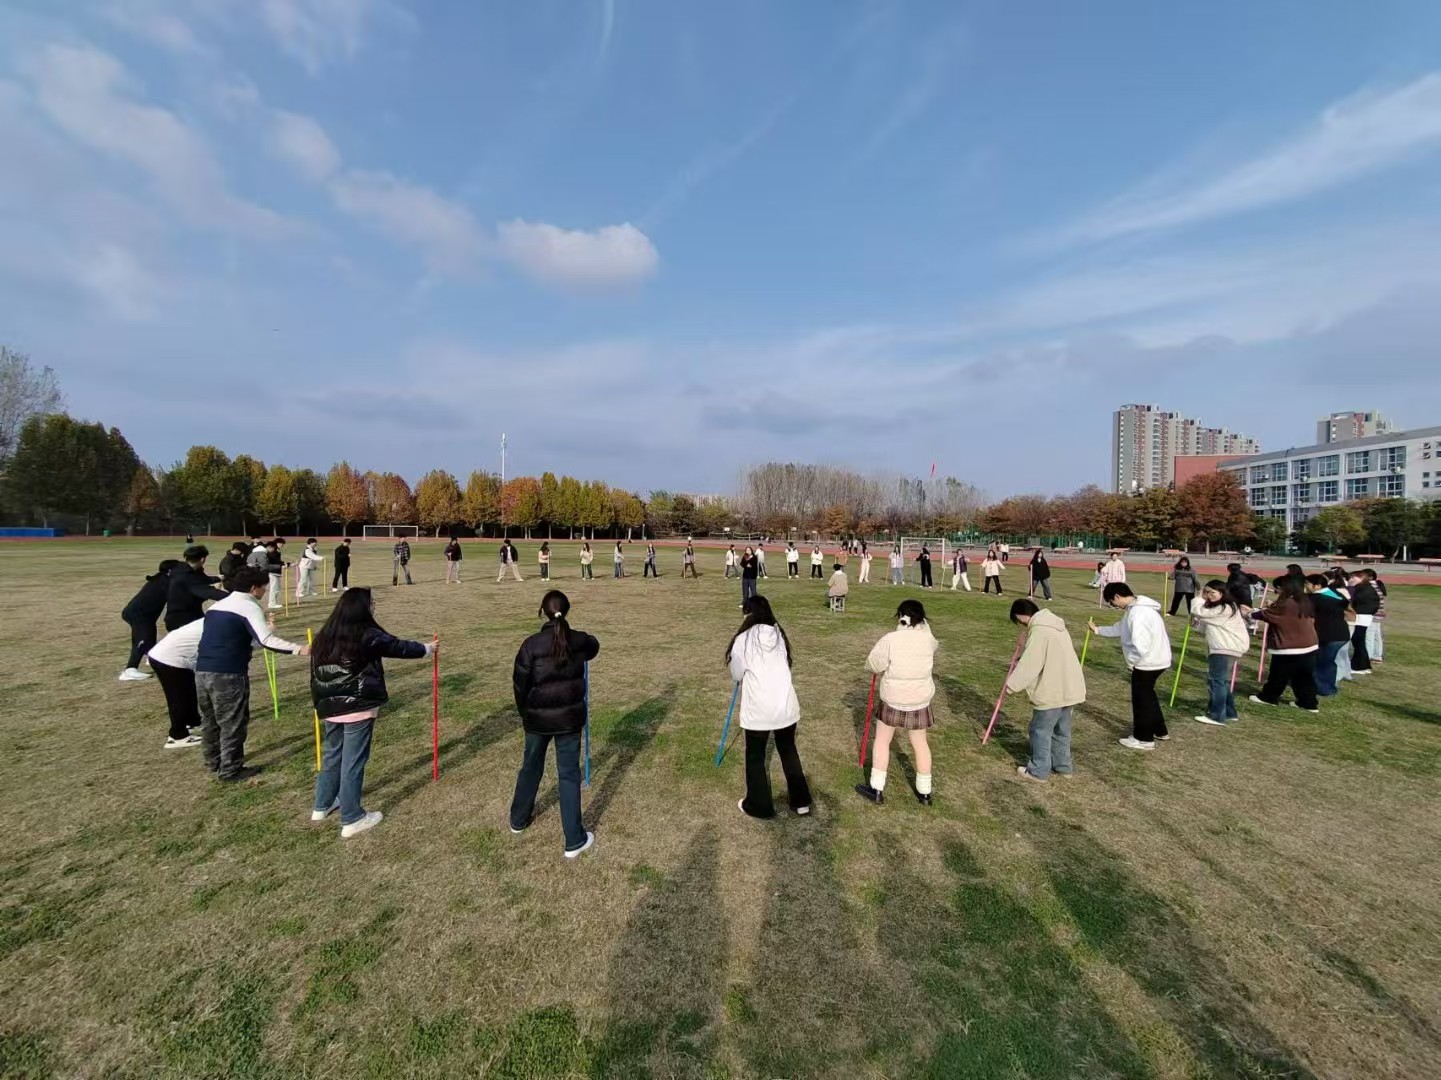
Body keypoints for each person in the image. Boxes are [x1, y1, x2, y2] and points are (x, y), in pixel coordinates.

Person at [310, 588, 434, 839]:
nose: (374, 606)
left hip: (329, 707)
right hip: (356, 706)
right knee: (352, 761)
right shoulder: (366, 633)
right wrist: (426, 649)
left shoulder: (325, 634)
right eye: (372, 603)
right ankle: (351, 817)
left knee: (333, 755)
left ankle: (322, 805)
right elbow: (396, 646)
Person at [510, 590, 600, 857]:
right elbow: (592, 645)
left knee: (531, 767)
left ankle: (519, 820)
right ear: (567, 610)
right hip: (566, 720)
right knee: (568, 774)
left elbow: (519, 685)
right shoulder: (571, 641)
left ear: (543, 612)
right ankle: (572, 839)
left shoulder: (533, 645)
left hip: (540, 720)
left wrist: (525, 713)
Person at [195, 566, 307, 781]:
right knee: (232, 722)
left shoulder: (216, 606)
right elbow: (266, 640)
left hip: (202, 669)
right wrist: (298, 649)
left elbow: (235, 637)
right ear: (254, 588)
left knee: (210, 720)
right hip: (228, 673)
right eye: (264, 588)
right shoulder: (249, 606)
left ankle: (212, 760)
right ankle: (230, 770)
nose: (265, 592)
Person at [727, 596, 812, 818]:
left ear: (749, 614)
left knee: (755, 756)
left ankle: (759, 805)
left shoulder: (743, 639)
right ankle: (801, 801)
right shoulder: (778, 634)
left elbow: (736, 673)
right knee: (788, 750)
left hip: (760, 709)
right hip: (785, 706)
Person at [856, 600, 939, 806]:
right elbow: (929, 638)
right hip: (919, 699)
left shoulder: (891, 639)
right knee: (920, 743)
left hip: (894, 698)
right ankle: (925, 792)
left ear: (901, 616)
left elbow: (874, 663)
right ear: (922, 619)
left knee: (882, 740)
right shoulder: (929, 639)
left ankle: (877, 788)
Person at [1007, 599, 1085, 782]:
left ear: (1020, 616)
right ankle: (1063, 767)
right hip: (1069, 686)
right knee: (1061, 730)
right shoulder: (1056, 626)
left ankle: (1038, 771)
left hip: (1052, 689)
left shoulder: (1039, 632)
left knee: (1040, 730)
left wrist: (1012, 685)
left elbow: (1031, 663)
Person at [1088, 583, 1171, 750]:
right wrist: (1097, 630)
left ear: (1117, 596)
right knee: (1148, 696)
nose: (1114, 606)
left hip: (1147, 663)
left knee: (1141, 701)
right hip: (1156, 660)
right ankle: (1160, 730)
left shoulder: (1138, 613)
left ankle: (1143, 739)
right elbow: (1121, 628)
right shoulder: (1135, 609)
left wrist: (1133, 663)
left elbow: (1141, 645)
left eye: (1112, 602)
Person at [1249, 575, 1320, 713]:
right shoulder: (1304, 600)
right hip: (1308, 645)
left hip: (1290, 646)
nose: (1277, 591)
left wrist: (1249, 613)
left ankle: (1268, 697)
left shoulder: (1287, 603)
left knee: (1279, 675)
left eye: (1278, 589)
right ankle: (1308, 703)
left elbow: (1268, 615)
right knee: (1304, 677)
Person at [146, 605, 206, 748]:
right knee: (178, 697)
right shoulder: (224, 621)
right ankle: (177, 736)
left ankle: (193, 722)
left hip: (173, 656)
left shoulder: (217, 615)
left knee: (190, 690)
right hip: (167, 659)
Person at [1191, 581, 1249, 725]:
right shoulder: (1220, 607)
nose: (1209, 596)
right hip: (1225, 647)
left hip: (1225, 648)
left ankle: (1216, 716)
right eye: (1207, 592)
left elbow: (1200, 612)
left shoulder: (1226, 607)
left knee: (1216, 681)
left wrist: (1198, 598)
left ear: (1222, 593)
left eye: (1213, 593)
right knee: (1222, 681)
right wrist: (1195, 622)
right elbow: (1205, 625)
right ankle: (1229, 713)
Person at [119, 560, 181, 681]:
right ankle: (130, 670)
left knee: (149, 637)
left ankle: (154, 659)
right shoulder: (166, 581)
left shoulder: (162, 579)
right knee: (143, 639)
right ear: (170, 571)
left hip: (143, 614)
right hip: (139, 614)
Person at [1305, 574, 1351, 698]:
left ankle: (1325, 689)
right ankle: (1324, 686)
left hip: (1329, 635)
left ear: (1317, 586)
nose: (1306, 586)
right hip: (1341, 633)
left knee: (1322, 662)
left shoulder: (1315, 598)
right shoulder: (1335, 593)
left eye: (1307, 584)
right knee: (1327, 661)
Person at [165, 545, 228, 632]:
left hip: (188, 613)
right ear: (202, 559)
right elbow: (209, 592)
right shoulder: (188, 576)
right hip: (182, 620)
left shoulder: (182, 569)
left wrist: (217, 578)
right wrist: (235, 597)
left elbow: (201, 579)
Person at [1345, 569, 1379, 674]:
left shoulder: (1361, 589)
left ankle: (1359, 666)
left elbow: (1351, 600)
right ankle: (1363, 665)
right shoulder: (1367, 588)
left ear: (1361, 578)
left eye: (1353, 577)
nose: (1351, 579)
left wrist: (1349, 587)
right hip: (1364, 616)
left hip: (1361, 616)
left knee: (1358, 641)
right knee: (1359, 641)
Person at [1364, 568, 1387, 664]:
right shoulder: (1377, 585)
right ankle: (1377, 656)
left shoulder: (1370, 586)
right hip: (1378, 614)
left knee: (1369, 635)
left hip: (1372, 614)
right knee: (1377, 635)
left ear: (1370, 577)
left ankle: (1367, 657)